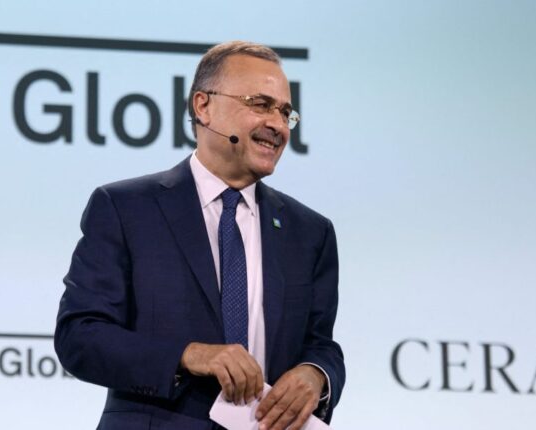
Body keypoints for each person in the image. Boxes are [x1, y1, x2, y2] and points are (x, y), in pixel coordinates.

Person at [55, 41, 345, 430]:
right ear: (203, 106)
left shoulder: (310, 232)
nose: (277, 125)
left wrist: (316, 374)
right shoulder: (126, 208)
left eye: (285, 112)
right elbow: (80, 336)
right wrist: (188, 355)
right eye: (260, 104)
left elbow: (320, 344)